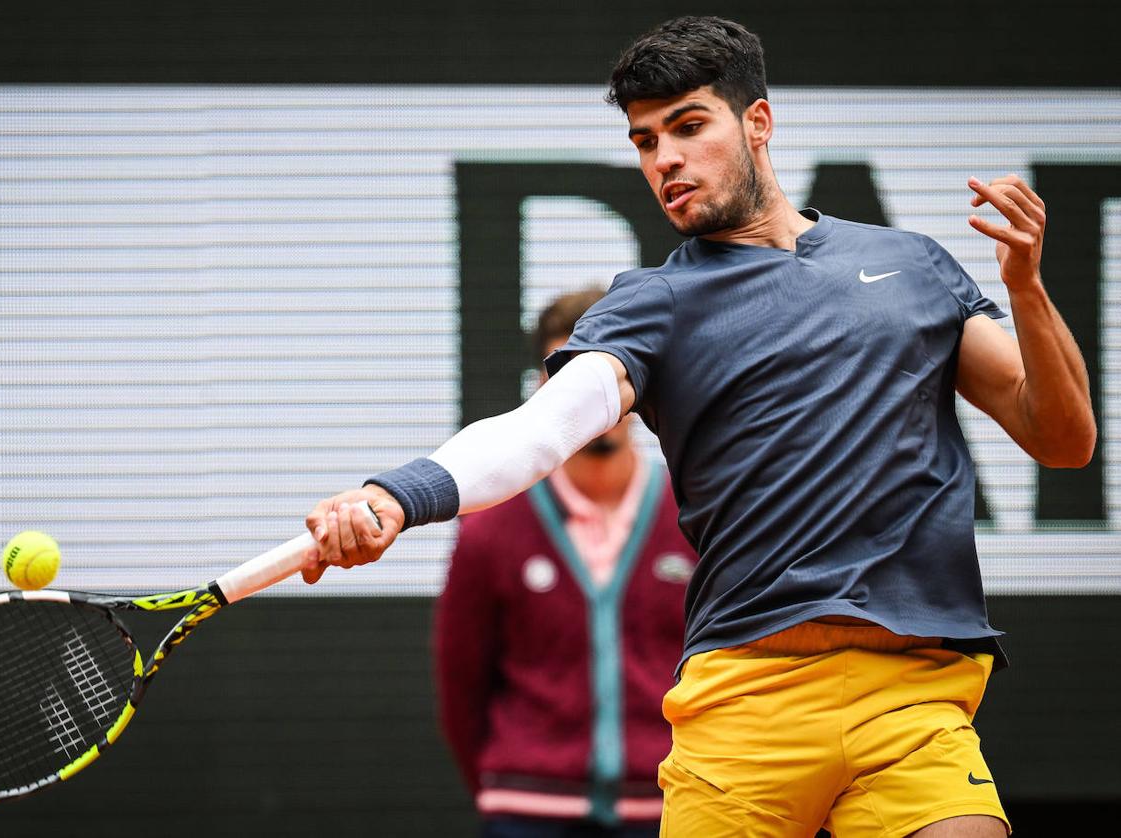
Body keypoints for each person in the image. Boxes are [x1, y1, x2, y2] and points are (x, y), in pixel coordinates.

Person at [301, 15, 1095, 838]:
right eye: (645, 142)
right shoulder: (651, 305)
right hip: (745, 707)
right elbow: (536, 432)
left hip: (913, 701)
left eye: (686, 127)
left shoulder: (913, 267)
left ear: (757, 123)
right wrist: (398, 495)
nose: (664, 160)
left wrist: (1026, 289)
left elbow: (1062, 438)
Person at [434, 287, 698, 837]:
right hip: (528, 813)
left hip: (671, 808)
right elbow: (461, 683)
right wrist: (509, 782)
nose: (588, 403)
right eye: (567, 380)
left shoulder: (700, 515)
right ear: (541, 390)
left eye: (602, 378)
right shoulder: (490, 526)